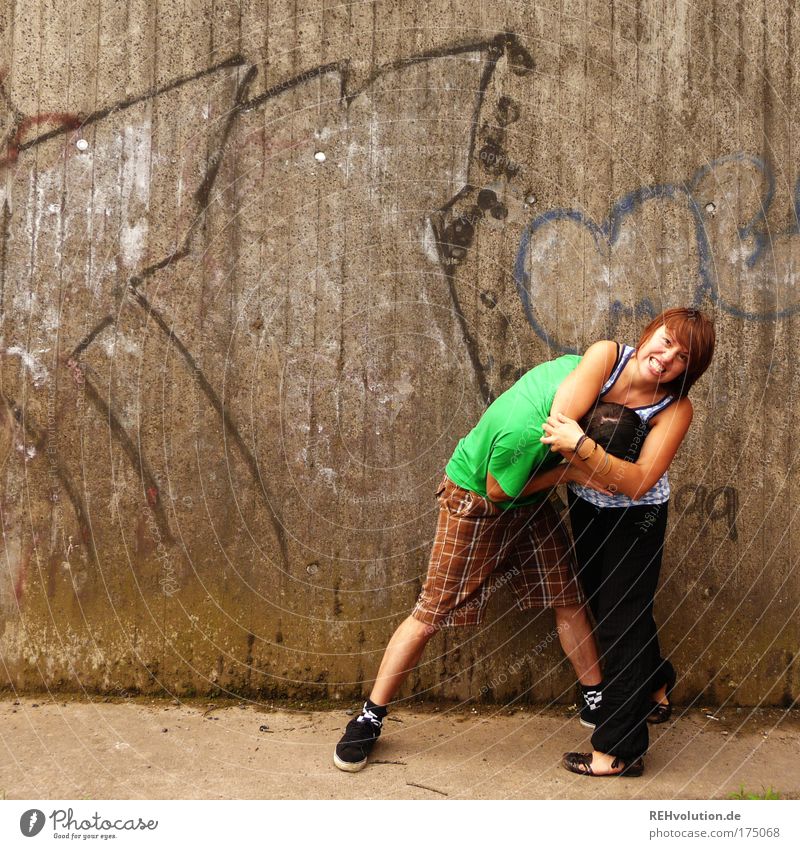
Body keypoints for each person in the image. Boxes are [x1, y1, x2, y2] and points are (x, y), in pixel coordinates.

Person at [333, 349, 647, 773]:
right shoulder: (524, 433)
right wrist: (571, 474)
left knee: (567, 595)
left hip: (531, 497)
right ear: (573, 444)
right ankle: (369, 717)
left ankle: (596, 699)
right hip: (478, 499)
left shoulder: (586, 375)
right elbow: (499, 491)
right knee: (430, 614)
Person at [539, 307, 716, 777]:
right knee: (608, 604)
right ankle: (656, 682)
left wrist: (585, 450)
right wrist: (595, 467)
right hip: (586, 504)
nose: (666, 357)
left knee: (621, 622)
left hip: (638, 518)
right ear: (650, 331)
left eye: (682, 357)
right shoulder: (607, 357)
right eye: (666, 340)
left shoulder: (676, 408)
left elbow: (638, 483)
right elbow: (559, 421)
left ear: (688, 371)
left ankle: (618, 751)